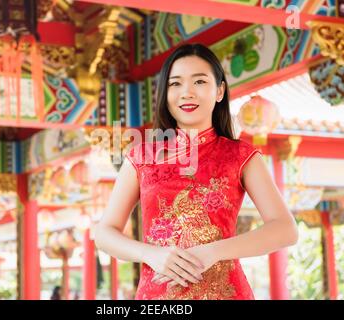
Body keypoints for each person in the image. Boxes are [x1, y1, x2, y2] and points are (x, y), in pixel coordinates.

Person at [94, 43, 298, 300]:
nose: (186, 92)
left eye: (199, 81)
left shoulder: (241, 156)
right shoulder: (141, 156)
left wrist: (213, 252)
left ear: (220, 91)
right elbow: (104, 233)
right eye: (175, 84)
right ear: (165, 94)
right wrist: (150, 254)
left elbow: (285, 229)